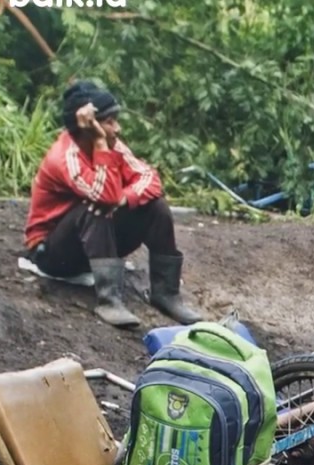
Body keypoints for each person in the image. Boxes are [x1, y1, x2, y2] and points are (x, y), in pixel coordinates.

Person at [23, 80, 203, 328]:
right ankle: (108, 300)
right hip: (54, 254)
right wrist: (99, 143)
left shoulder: (114, 145)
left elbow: (150, 178)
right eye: (109, 122)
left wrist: (125, 197)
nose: (117, 129)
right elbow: (104, 196)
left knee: (156, 206)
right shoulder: (64, 157)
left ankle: (166, 293)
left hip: (92, 247)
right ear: (89, 126)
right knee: (94, 208)